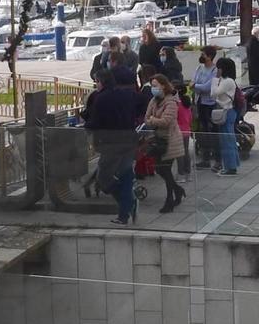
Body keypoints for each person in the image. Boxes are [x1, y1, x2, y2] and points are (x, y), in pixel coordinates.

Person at [85, 65, 146, 223]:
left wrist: (86, 125)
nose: (96, 85)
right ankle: (125, 212)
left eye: (97, 81)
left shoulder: (101, 99)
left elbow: (95, 122)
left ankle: (127, 204)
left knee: (104, 179)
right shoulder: (128, 95)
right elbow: (142, 103)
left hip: (111, 144)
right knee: (126, 175)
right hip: (129, 140)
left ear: (102, 82)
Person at [143, 74, 187, 211]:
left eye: (155, 85)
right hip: (158, 140)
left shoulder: (171, 102)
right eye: (152, 86)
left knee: (165, 169)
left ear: (163, 85)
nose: (153, 88)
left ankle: (170, 199)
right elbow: (146, 118)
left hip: (170, 140)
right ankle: (177, 190)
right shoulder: (153, 101)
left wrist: (153, 120)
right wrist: (153, 120)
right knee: (159, 168)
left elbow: (166, 121)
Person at [212, 57, 242, 176]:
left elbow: (214, 93)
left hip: (228, 112)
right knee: (227, 140)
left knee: (227, 141)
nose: (217, 70)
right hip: (226, 111)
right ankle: (231, 165)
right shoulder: (225, 81)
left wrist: (215, 79)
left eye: (218, 68)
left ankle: (230, 167)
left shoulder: (228, 81)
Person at [191, 49, 219, 170]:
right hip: (200, 102)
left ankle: (217, 159)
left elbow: (208, 87)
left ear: (210, 56)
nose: (201, 56)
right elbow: (193, 82)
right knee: (203, 130)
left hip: (210, 104)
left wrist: (196, 86)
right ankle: (205, 158)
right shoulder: (199, 68)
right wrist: (197, 87)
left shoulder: (215, 70)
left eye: (203, 54)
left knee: (213, 131)